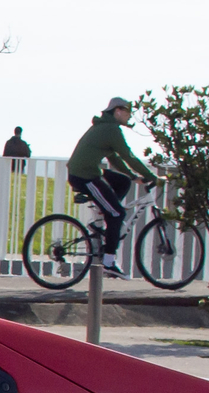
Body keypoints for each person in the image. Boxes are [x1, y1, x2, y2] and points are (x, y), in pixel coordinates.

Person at [65, 97, 159, 276]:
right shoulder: (111, 129)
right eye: (128, 112)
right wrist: (150, 176)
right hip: (84, 176)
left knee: (122, 182)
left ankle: (106, 214)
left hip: (87, 171)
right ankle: (109, 262)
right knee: (117, 214)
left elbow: (114, 158)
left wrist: (132, 176)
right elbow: (128, 156)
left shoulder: (104, 127)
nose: (129, 116)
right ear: (118, 111)